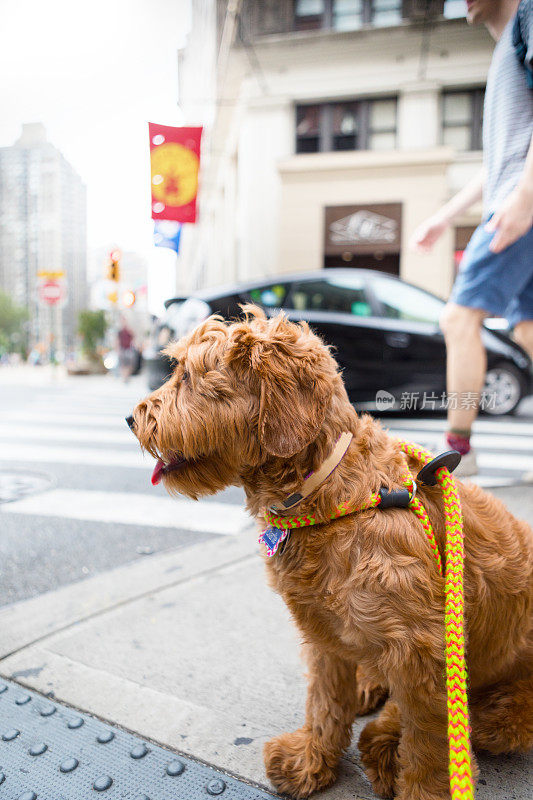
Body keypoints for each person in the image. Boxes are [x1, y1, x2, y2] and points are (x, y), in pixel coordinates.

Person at [410, 0, 533, 476]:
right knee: (526, 327)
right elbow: (495, 164)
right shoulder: (507, 47)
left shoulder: (527, 16)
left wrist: (523, 198)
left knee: (458, 318)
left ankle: (458, 452)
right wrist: (443, 218)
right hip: (512, 196)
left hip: (518, 204)